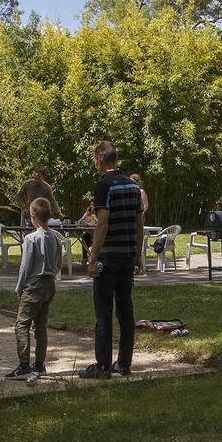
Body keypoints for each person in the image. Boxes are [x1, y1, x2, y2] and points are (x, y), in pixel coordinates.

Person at [82, 141, 145, 379]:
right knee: (126, 309)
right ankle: (124, 364)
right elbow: (139, 225)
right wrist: (138, 254)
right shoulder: (132, 185)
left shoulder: (103, 185)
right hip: (127, 255)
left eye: (93, 158)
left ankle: (103, 365)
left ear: (100, 158)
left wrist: (93, 255)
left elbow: (103, 222)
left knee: (103, 311)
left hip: (108, 257)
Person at [7, 196, 63, 378]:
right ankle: (39, 363)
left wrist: (19, 286)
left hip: (34, 284)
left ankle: (24, 365)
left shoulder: (31, 238)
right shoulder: (55, 237)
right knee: (41, 325)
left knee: (22, 324)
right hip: (49, 283)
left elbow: (25, 266)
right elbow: (59, 263)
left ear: (33, 217)